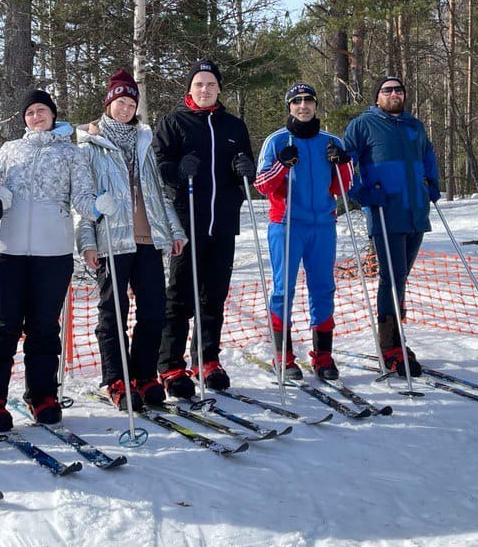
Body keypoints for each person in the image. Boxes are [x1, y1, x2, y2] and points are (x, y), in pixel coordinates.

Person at [0, 89, 97, 428]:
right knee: (4, 328)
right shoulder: (9, 150)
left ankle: (42, 394)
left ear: (53, 114)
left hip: (53, 252)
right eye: (30, 112)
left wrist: (100, 207)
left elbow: (84, 199)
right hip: (9, 251)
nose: (36, 117)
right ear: (24, 118)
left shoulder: (71, 153)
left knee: (44, 327)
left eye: (41, 110)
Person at [77, 70, 188, 411]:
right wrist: (87, 242)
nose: (125, 108)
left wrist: (175, 231)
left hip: (148, 238)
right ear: (108, 104)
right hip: (112, 238)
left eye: (130, 103)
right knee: (113, 312)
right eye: (119, 102)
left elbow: (157, 193)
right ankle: (117, 377)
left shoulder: (144, 141)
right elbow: (82, 200)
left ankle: (143, 374)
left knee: (154, 310)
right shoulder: (90, 144)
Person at [153, 59, 255, 396]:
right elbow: (157, 165)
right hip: (187, 221)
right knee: (180, 296)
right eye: (199, 84)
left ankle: (206, 357)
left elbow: (246, 169)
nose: (205, 89)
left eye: (211, 84)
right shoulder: (173, 122)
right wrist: (178, 169)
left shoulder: (234, 126)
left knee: (214, 295)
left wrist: (245, 168)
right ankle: (171, 364)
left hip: (223, 221)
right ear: (190, 89)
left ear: (219, 89)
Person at [341, 75, 441, 377]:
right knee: (392, 278)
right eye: (387, 90)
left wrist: (432, 184)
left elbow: (427, 156)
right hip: (386, 212)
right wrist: (362, 192)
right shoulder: (363, 125)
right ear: (377, 97)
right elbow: (344, 166)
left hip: (416, 214)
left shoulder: (414, 125)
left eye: (399, 89)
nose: (394, 94)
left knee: (401, 277)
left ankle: (397, 337)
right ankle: (390, 346)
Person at [254, 83, 353, 382]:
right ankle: (282, 356)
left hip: (322, 225)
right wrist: (282, 165)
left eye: (308, 100)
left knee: (323, 288)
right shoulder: (276, 141)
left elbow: (343, 188)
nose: (303, 106)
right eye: (296, 101)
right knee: (284, 290)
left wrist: (343, 163)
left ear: (315, 105)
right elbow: (261, 185)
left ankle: (322, 356)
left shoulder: (330, 141)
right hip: (286, 224)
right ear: (289, 107)